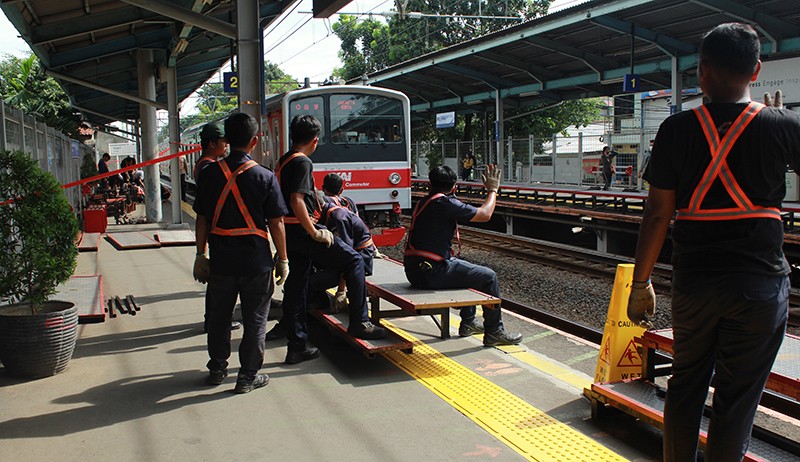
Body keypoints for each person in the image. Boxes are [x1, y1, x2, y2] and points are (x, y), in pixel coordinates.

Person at [627, 23, 798, 462]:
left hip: (696, 283)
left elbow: (658, 214)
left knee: (685, 387)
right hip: (759, 284)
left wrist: (640, 282)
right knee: (737, 401)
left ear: (702, 72)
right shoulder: (782, 125)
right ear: (756, 70)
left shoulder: (676, 130)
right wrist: (781, 130)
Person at [192, 112, 289, 394]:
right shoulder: (265, 176)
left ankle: (217, 368)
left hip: (221, 260)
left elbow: (201, 219)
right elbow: (276, 223)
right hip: (256, 262)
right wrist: (282, 259)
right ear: (254, 141)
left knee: (220, 317)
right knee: (255, 319)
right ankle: (247, 376)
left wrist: (200, 255)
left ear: (227, 140)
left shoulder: (209, 173)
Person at [277, 114, 386, 364]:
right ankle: (360, 322)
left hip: (290, 233)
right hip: (303, 232)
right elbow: (296, 200)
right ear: (315, 141)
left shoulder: (284, 160)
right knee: (354, 261)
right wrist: (315, 232)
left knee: (296, 286)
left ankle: (297, 345)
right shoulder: (303, 162)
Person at [403, 165, 522, 346]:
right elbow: (485, 214)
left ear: (429, 184)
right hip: (431, 273)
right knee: (488, 277)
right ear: (454, 187)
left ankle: (469, 322)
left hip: (414, 271)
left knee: (466, 270)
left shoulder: (423, 202)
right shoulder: (445, 203)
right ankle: (494, 331)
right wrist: (492, 190)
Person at [266, 200, 375, 341]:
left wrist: (341, 291)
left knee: (308, 284)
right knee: (303, 271)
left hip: (359, 263)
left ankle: (288, 324)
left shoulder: (339, 217)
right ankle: (315, 302)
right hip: (340, 263)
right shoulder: (324, 216)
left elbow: (348, 259)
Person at [193, 123, 239, 333]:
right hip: (218, 229)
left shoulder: (204, 164)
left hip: (214, 229)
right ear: (212, 143)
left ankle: (212, 318)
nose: (227, 147)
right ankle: (214, 320)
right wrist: (200, 252)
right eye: (223, 142)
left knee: (218, 278)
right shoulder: (208, 167)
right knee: (219, 281)